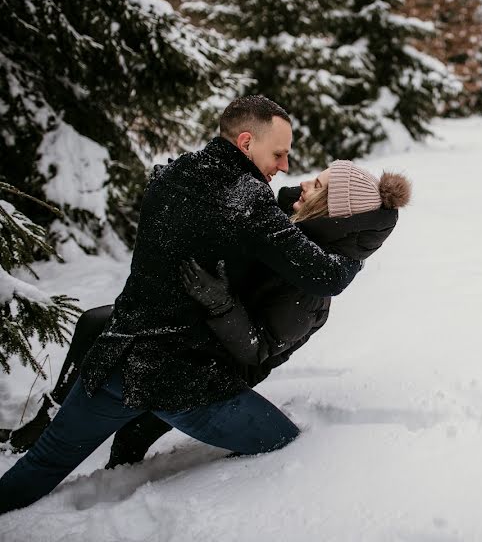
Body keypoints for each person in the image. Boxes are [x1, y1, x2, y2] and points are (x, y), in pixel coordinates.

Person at [0, 95, 366, 513]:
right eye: (279, 153)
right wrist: (368, 231)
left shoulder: (174, 174)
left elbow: (246, 220)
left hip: (116, 356)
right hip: (181, 381)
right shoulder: (244, 198)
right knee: (283, 444)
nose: (284, 165)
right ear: (246, 143)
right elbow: (326, 276)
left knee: (43, 463)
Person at [2, 161, 411, 467]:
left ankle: (109, 455)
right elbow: (273, 202)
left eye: (317, 185)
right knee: (97, 322)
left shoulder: (311, 286)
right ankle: (46, 424)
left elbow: (258, 350)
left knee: (145, 397)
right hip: (197, 328)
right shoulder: (298, 226)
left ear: (330, 210)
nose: (304, 182)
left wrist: (221, 304)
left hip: (222, 365)